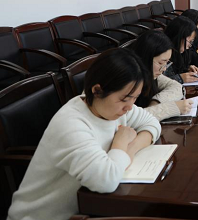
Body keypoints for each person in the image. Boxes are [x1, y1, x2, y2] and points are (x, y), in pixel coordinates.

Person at [7, 49, 161, 220]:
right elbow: (106, 180)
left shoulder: (112, 108)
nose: (130, 107)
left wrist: (128, 150)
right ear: (97, 90)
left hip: (87, 208)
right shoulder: (71, 124)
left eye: (135, 98)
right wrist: (120, 144)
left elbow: (152, 123)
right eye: (125, 99)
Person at [129, 30, 195, 120]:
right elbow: (128, 119)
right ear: (145, 58)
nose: (164, 69)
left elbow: (177, 87)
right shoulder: (128, 79)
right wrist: (171, 108)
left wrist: (155, 104)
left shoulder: (150, 74)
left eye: (166, 62)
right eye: (160, 63)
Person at [163, 16, 198, 84]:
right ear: (179, 37)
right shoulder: (163, 53)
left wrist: (186, 69)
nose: (189, 46)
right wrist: (180, 78)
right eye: (190, 41)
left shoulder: (180, 53)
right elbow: (158, 82)